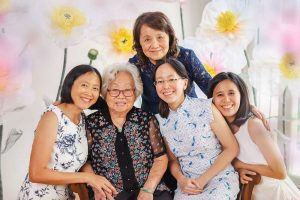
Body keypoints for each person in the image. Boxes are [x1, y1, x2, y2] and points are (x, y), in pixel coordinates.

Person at [18, 65, 117, 200]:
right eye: (84, 85)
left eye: (95, 88)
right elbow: (36, 173)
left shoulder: (82, 119)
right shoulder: (52, 117)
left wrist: (94, 186)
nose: (89, 92)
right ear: (70, 84)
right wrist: (89, 177)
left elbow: (79, 160)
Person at [82, 62, 172, 200]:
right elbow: (84, 161)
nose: (121, 96)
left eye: (127, 90)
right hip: (110, 194)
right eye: (114, 90)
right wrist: (96, 186)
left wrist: (148, 189)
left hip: (151, 190)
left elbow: (160, 157)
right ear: (105, 92)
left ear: (136, 93)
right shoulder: (91, 123)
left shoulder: (146, 119)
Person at [154, 58, 240, 199]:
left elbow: (232, 148)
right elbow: (173, 161)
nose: (166, 86)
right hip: (188, 186)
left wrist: (202, 180)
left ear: (185, 82)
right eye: (160, 81)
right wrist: (182, 181)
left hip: (220, 180)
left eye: (171, 79)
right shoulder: (160, 120)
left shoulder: (206, 107)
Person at [208, 72, 300, 200]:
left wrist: (240, 164)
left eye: (231, 93)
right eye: (219, 95)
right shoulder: (219, 129)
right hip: (250, 192)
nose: (226, 100)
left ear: (241, 95)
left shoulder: (253, 125)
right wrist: (238, 169)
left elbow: (280, 172)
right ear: (211, 100)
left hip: (276, 193)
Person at [129, 11, 212, 114]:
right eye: (147, 39)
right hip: (154, 123)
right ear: (139, 42)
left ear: (169, 36)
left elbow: (211, 89)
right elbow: (125, 97)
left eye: (160, 37)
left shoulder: (186, 57)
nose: (154, 45)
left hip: (191, 120)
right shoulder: (135, 64)